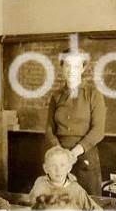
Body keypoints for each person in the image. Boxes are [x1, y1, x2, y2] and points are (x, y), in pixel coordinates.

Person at [44, 48, 106, 196]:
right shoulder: (56, 96)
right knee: (59, 204)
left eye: (76, 66)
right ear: (62, 67)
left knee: (88, 205)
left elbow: (98, 131)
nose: (71, 70)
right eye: (67, 65)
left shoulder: (93, 95)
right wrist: (60, 153)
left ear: (83, 68)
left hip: (85, 157)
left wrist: (73, 154)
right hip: (58, 160)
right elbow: (49, 129)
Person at [27, 146, 104, 211]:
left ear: (69, 168)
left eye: (62, 165)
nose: (58, 170)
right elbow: (32, 210)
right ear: (45, 169)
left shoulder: (75, 189)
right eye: (53, 165)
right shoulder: (40, 185)